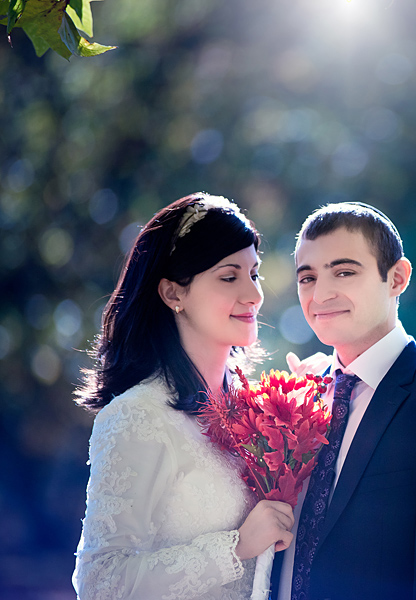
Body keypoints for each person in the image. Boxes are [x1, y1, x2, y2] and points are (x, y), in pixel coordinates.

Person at [271, 203, 416, 600]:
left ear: (397, 278)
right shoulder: (296, 396)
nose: (321, 294)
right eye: (307, 277)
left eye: (344, 272)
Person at [73, 193, 295, 600]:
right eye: (230, 277)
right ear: (173, 293)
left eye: (254, 274)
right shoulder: (137, 417)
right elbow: (100, 582)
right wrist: (236, 547)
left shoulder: (254, 413)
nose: (254, 295)